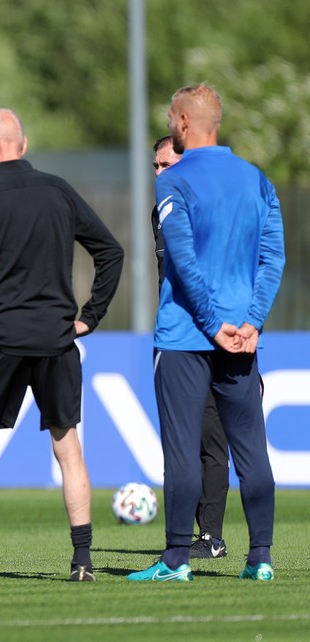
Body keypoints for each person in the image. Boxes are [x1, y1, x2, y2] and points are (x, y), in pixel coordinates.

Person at [0, 109, 124, 583]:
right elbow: (110, 252)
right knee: (68, 449)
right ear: (24, 143)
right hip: (55, 339)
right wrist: (89, 317)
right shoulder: (58, 191)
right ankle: (82, 561)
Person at [129, 84, 284, 583]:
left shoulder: (174, 178)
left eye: (173, 118)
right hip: (242, 338)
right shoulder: (257, 179)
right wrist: (252, 320)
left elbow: (182, 258)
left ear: (182, 122)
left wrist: (214, 324)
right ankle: (259, 556)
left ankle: (177, 559)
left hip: (186, 337)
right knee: (251, 451)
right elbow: (273, 257)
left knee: (183, 452)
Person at [152, 135, 230, 560]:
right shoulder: (159, 214)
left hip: (213, 339)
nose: (160, 173)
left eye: (166, 164)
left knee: (211, 440)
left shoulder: (210, 212)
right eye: (156, 166)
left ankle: (212, 537)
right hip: (177, 339)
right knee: (182, 441)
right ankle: (187, 537)